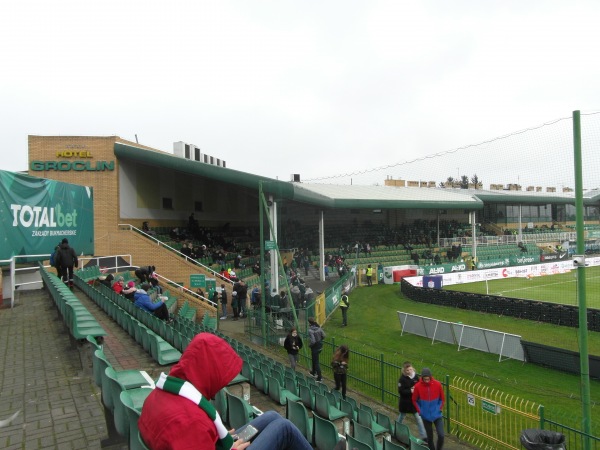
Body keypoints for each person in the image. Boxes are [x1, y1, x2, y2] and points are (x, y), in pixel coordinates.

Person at [139, 333, 313, 450]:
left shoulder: (159, 395)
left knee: (272, 416)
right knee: (284, 428)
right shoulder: (191, 422)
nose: (219, 388)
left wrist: (215, 438)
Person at [412, 367, 445, 450]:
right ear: (422, 378)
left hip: (437, 414)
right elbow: (414, 400)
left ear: (431, 377)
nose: (427, 381)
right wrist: (420, 411)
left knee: (441, 435)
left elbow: (442, 399)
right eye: (425, 379)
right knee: (430, 437)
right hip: (425, 416)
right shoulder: (417, 386)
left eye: (428, 379)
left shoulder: (437, 384)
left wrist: (439, 408)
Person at [397, 362, 427, 441]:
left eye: (410, 369)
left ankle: (424, 436)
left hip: (414, 402)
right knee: (402, 416)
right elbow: (401, 391)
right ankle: (396, 428)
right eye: (407, 370)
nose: (409, 371)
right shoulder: (402, 379)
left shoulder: (415, 377)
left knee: (418, 418)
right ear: (404, 371)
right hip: (405, 402)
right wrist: (410, 390)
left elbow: (419, 385)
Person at [308, 317, 325, 382]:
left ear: (309, 323)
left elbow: (313, 341)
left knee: (316, 362)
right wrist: (320, 340)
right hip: (320, 345)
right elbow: (324, 335)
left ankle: (320, 377)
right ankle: (313, 372)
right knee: (314, 359)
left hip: (315, 347)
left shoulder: (310, 330)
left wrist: (310, 345)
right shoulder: (319, 328)